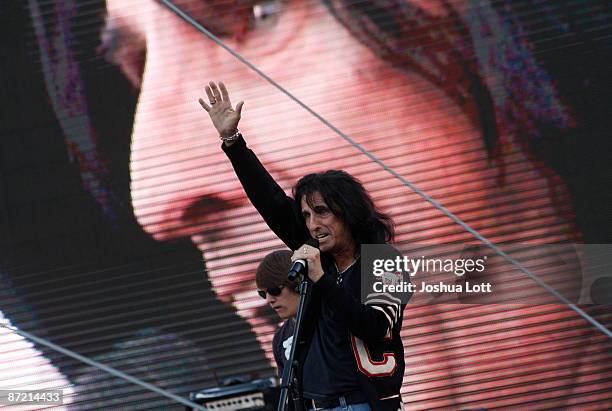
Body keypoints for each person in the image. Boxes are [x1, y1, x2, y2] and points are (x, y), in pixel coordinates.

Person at [202, 81, 405, 410]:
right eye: (307, 215)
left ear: (348, 213)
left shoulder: (385, 262)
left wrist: (322, 280)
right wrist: (233, 143)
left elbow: (377, 326)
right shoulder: (318, 255)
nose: (312, 224)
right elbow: (273, 204)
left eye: (321, 212)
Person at [254, 250, 299, 376]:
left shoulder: (333, 320)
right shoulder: (280, 338)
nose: (269, 299)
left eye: (274, 290)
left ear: (297, 283)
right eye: (263, 294)